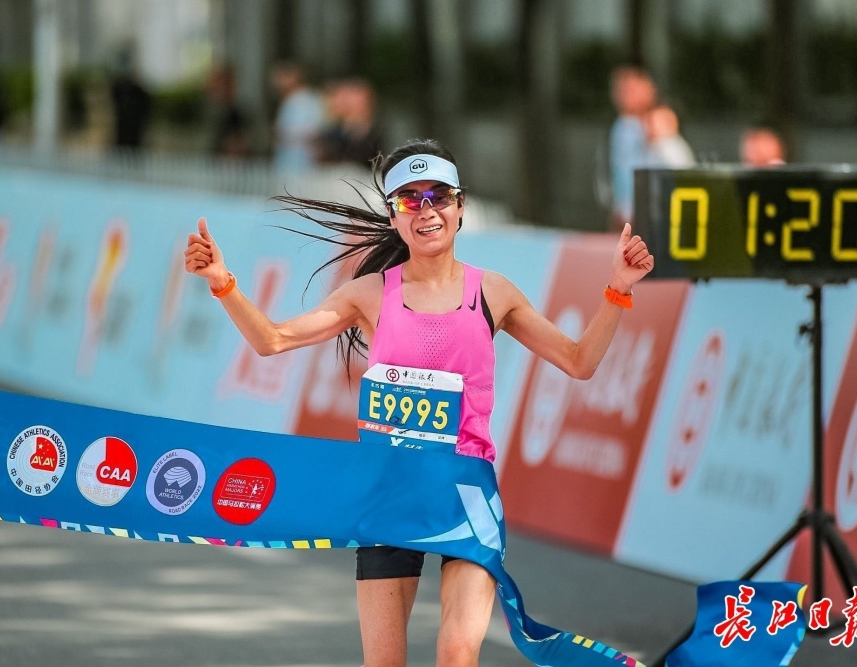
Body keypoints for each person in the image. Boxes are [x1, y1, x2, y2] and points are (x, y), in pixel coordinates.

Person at [184, 138, 654, 666]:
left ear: (459, 205)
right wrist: (221, 282)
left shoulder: (493, 292)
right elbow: (272, 340)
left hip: (464, 496)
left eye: (438, 196)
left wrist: (617, 288)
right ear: (393, 215)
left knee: (457, 650)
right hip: (389, 494)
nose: (426, 210)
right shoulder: (368, 294)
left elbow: (578, 361)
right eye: (410, 199)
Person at [608, 66, 657, 230]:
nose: (627, 95)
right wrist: (625, 208)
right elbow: (623, 172)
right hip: (633, 212)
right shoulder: (624, 128)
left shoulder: (654, 122)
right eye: (623, 91)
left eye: (633, 89)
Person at [270, 61, 325, 171]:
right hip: (286, 163)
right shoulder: (289, 101)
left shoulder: (307, 100)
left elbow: (312, 132)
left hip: (302, 165)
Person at [205, 62, 250, 158]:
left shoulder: (237, 111)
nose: (224, 88)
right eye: (220, 83)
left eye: (228, 84)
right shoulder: (206, 110)